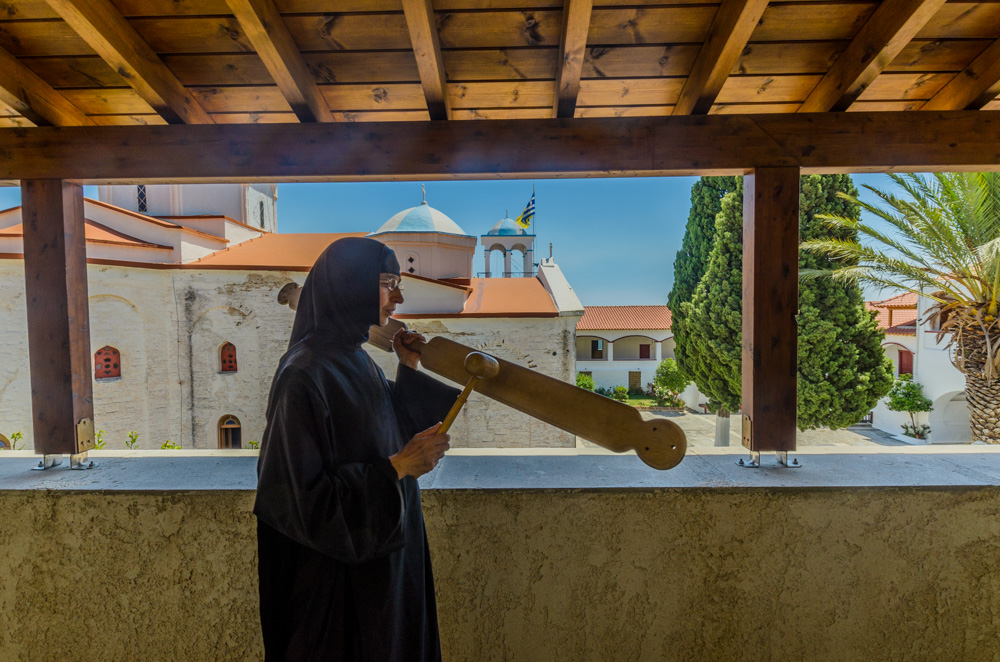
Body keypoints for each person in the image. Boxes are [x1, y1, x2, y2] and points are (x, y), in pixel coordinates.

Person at [254, 237, 459, 661]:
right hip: (341, 595)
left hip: (383, 576)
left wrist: (407, 366)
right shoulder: (303, 376)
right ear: (350, 285)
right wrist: (398, 468)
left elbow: (382, 436)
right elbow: (300, 501)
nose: (398, 298)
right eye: (388, 283)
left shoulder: (354, 359)